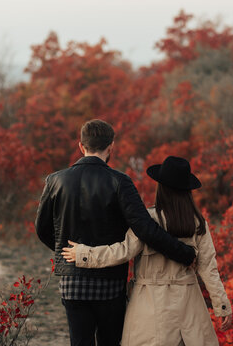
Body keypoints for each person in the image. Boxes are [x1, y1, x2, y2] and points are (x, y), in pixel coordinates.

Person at [35, 120, 196, 346]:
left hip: (72, 281)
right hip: (110, 283)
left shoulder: (55, 180)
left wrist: (68, 253)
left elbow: (41, 229)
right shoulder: (120, 182)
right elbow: (145, 229)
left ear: (81, 146)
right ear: (111, 147)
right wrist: (185, 254)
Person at [62, 156, 233, 346]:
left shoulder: (148, 219)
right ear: (187, 191)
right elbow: (209, 269)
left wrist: (84, 254)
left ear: (161, 188)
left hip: (150, 305)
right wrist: (222, 307)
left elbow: (122, 251)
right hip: (189, 305)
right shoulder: (198, 223)